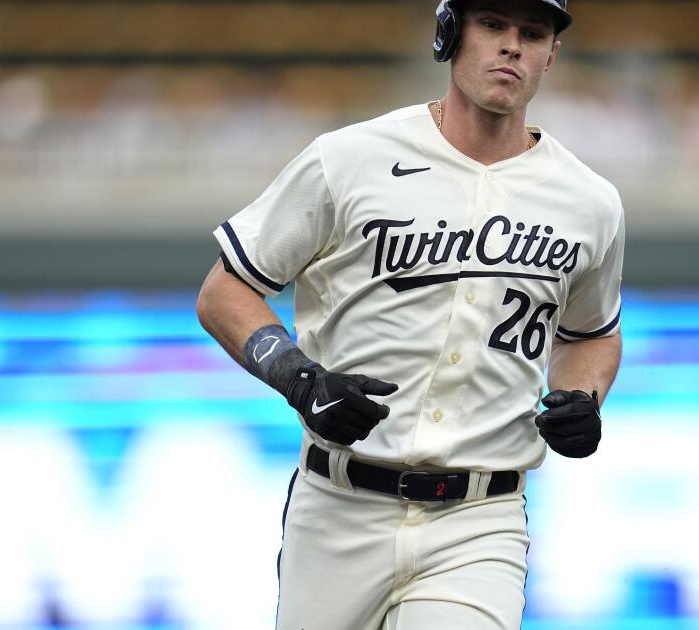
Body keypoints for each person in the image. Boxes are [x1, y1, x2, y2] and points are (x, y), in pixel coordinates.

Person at [196, 0, 624, 627]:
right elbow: (224, 290)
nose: (512, 46)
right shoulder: (348, 158)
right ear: (451, 33)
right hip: (337, 505)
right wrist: (299, 377)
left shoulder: (590, 201)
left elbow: (592, 335)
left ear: (551, 55)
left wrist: (582, 396)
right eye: (493, 26)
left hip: (480, 518)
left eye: (532, 33)